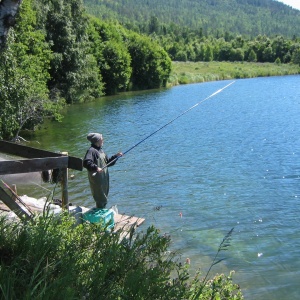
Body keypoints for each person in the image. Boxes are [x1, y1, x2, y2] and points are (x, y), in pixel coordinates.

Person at [83, 133, 122, 209]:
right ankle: (100, 214)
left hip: (104, 178)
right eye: (102, 139)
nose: (103, 140)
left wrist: (116, 156)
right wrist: (96, 168)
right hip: (97, 179)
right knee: (100, 197)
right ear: (97, 141)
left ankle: (101, 210)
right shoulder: (91, 151)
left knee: (104, 196)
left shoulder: (100, 150)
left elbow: (107, 163)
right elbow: (86, 163)